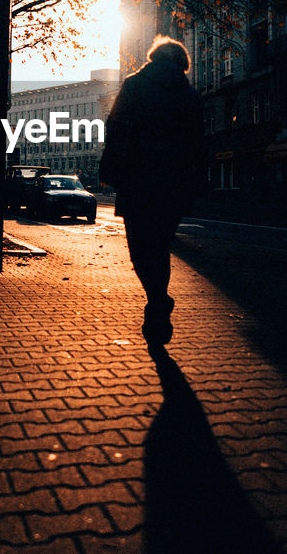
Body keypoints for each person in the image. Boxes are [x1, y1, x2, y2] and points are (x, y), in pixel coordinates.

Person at [99, 37, 204, 346]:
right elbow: (198, 143)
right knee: (160, 245)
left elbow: (115, 127)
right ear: (182, 64)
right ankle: (158, 301)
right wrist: (195, 183)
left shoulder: (134, 85)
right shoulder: (191, 95)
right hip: (173, 184)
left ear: (153, 58)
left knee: (140, 249)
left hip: (137, 180)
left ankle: (157, 299)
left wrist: (111, 171)